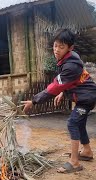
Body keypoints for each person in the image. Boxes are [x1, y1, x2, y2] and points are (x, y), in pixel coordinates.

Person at [22, 29, 96, 173]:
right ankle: (86, 151)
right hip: (85, 95)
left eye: (61, 47)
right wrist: (63, 92)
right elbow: (71, 81)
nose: (56, 50)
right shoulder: (68, 59)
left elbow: (55, 86)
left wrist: (34, 101)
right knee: (79, 124)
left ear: (70, 48)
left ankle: (74, 163)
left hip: (86, 98)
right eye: (55, 46)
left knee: (73, 123)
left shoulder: (70, 65)